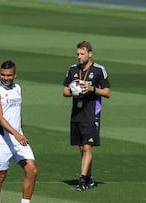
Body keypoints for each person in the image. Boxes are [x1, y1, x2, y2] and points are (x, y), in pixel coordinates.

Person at [63, 41, 111, 191]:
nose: (79, 57)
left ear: (90, 54)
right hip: (76, 114)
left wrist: (92, 88)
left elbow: (107, 92)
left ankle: (82, 180)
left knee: (87, 147)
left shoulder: (98, 70)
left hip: (91, 114)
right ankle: (89, 178)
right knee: (81, 148)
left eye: (82, 54)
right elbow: (64, 91)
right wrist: (73, 91)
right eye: (77, 54)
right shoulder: (72, 70)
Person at [0, 60, 38, 203]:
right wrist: (16, 134)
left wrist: (19, 130)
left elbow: (17, 112)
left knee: (32, 171)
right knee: (0, 176)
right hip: (2, 139)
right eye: (3, 75)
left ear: (15, 75)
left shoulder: (17, 88)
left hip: (18, 138)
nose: (6, 78)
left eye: (9, 75)